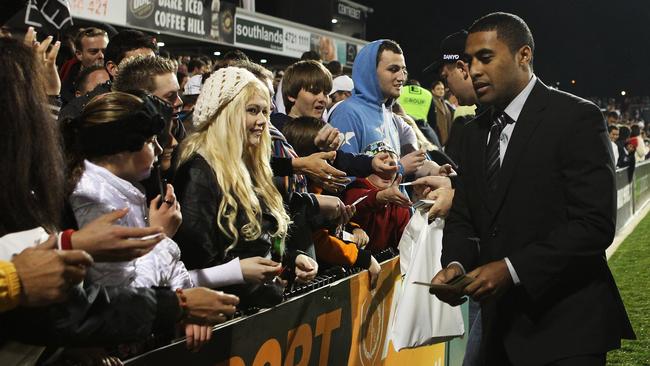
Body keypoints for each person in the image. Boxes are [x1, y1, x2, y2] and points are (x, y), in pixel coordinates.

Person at [429, 12, 634, 365]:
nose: (473, 70)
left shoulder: (576, 118)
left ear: (524, 55)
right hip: (499, 328)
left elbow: (594, 225)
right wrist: (456, 264)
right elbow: (464, 216)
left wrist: (510, 269)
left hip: (567, 328)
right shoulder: (472, 134)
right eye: (469, 61)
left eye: (486, 58)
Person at [173, 67, 318, 290]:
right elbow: (193, 266)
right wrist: (238, 273)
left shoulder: (249, 164)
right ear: (225, 113)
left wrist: (290, 260)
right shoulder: (198, 172)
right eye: (252, 110)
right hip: (224, 316)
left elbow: (255, 243)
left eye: (265, 112)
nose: (262, 121)